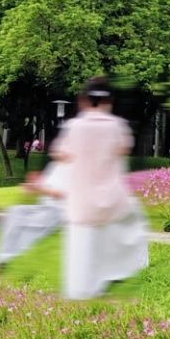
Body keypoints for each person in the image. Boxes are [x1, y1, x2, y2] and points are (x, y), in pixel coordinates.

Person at [26, 76, 149, 300]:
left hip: (81, 204)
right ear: (109, 102)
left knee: (81, 261)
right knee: (131, 228)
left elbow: (60, 154)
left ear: (84, 101)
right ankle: (117, 276)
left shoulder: (75, 127)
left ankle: (83, 293)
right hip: (112, 204)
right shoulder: (117, 127)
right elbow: (122, 150)